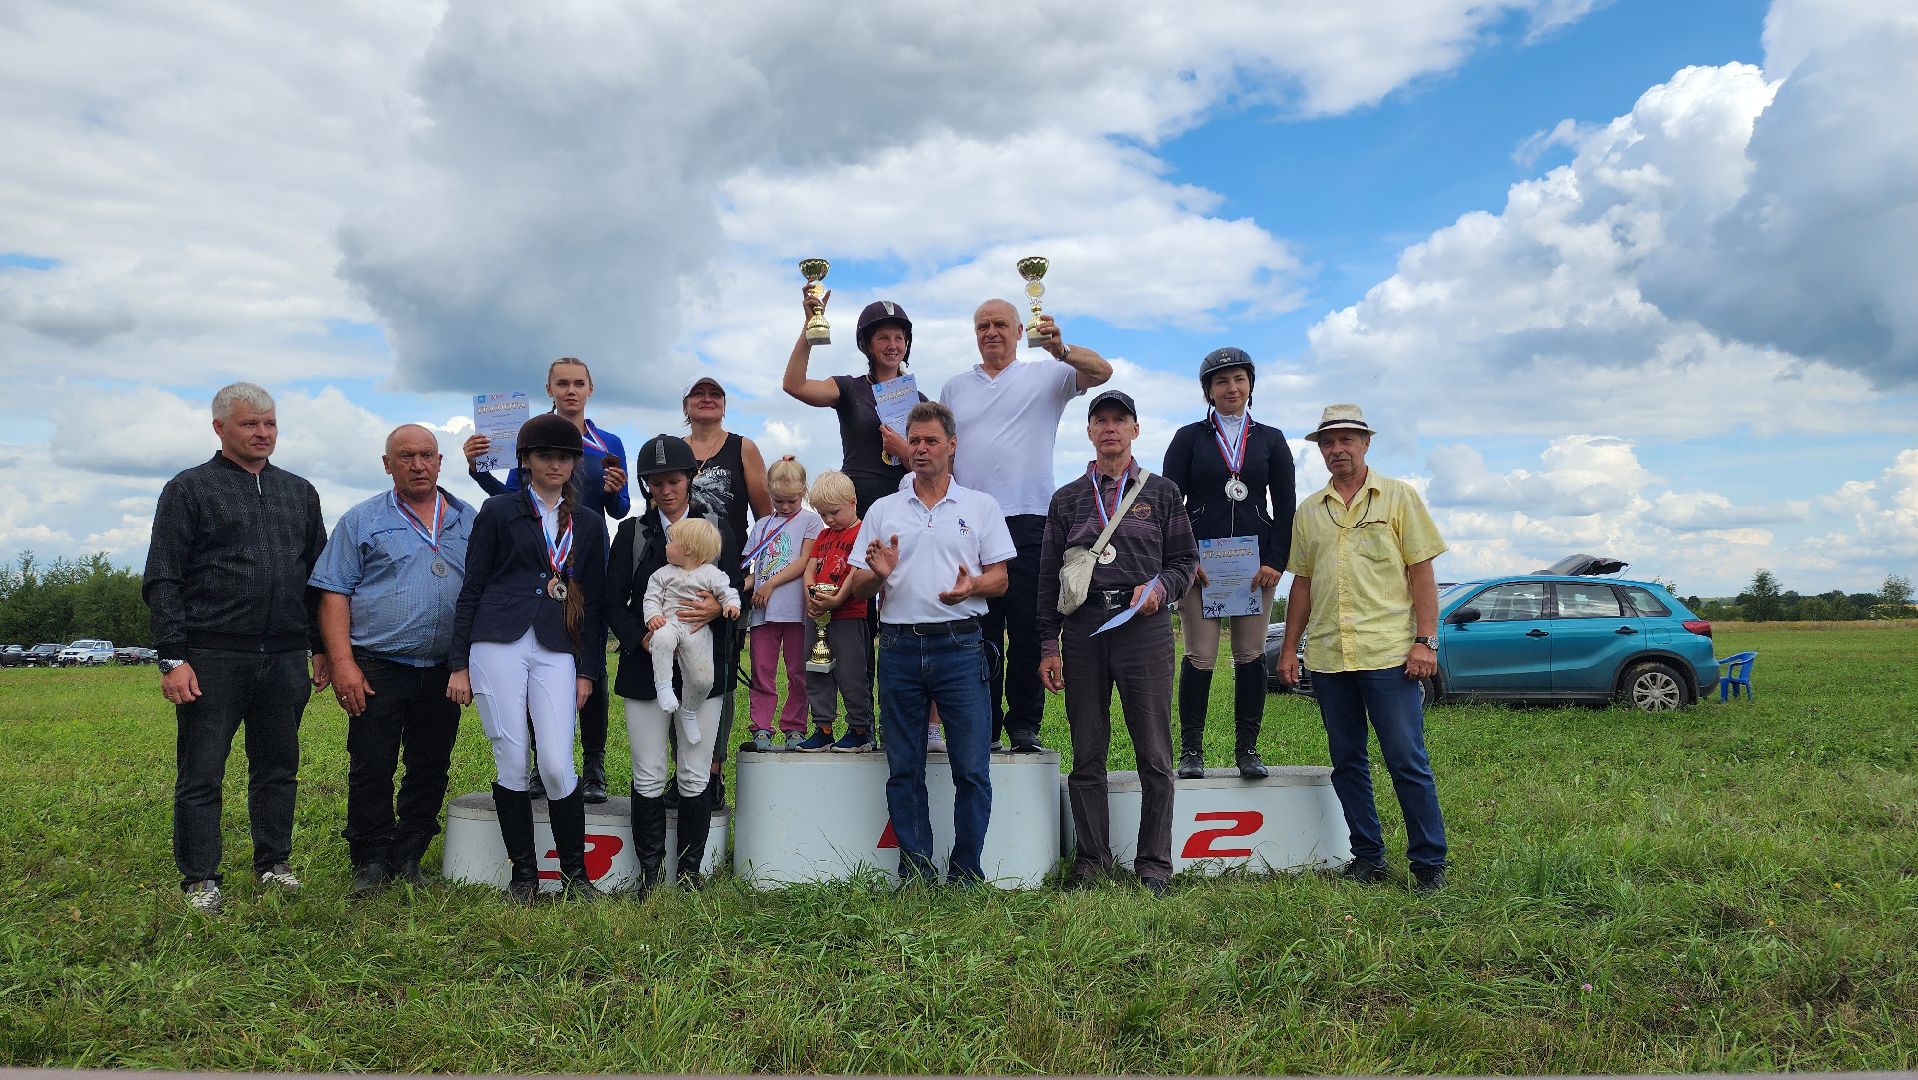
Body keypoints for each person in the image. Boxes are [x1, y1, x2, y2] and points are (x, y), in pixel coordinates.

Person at [144, 382, 328, 914]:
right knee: (202, 771)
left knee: (277, 768)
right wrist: (173, 656)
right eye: (250, 424)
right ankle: (201, 878)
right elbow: (163, 577)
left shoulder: (300, 491)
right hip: (213, 655)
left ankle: (274, 865)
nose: (263, 433)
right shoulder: (189, 490)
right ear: (220, 427)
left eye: (269, 423)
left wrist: (319, 646)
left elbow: (317, 577)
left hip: (286, 654)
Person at [1276, 404, 1449, 892]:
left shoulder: (1398, 498)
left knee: (1405, 759)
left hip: (1389, 655)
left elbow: (1422, 573)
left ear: (1366, 443)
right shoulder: (1310, 510)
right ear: (1320, 450)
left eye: (1347, 440)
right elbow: (1303, 585)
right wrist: (1290, 648)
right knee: (1347, 762)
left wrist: (1425, 642)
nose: (1337, 450)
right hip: (1330, 658)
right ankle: (1367, 856)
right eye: (1328, 443)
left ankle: (1428, 863)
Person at [845, 402, 1014, 885]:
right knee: (904, 769)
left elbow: (1000, 579)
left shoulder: (980, 506)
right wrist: (877, 577)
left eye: (930, 441)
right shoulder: (883, 509)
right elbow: (858, 586)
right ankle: (916, 873)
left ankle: (965, 872)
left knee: (971, 770)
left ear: (952, 445)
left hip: (961, 646)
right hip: (898, 647)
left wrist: (972, 588)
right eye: (913, 441)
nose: (920, 449)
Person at [1037, 390, 1198, 894]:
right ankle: (1092, 859)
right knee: (1087, 750)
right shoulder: (1066, 498)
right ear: (1089, 432)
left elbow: (1185, 564)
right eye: (1100, 420)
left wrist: (1160, 590)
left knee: (1153, 751)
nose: (1110, 428)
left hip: (1143, 629)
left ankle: (1154, 863)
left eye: (1119, 420)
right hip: (1084, 628)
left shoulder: (1164, 493)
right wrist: (1048, 645)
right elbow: (1047, 579)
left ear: (1135, 429)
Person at [447, 414, 609, 903]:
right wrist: (458, 662)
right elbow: (472, 586)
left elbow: (596, 602)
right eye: (545, 456)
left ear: (574, 464)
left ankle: (576, 878)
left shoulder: (589, 522)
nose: (555, 464)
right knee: (513, 758)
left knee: (559, 764)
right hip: (497, 640)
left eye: (564, 457)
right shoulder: (498, 511)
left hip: (559, 645)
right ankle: (524, 876)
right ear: (526, 461)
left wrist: (589, 670)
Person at [309, 424, 475, 898]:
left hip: (444, 668)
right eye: (405, 456)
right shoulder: (361, 521)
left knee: (430, 764)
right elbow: (334, 593)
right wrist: (342, 663)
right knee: (371, 765)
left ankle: (410, 853)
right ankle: (370, 859)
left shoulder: (468, 519)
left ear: (440, 461)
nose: (418, 464)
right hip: (377, 665)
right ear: (387, 464)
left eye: (426, 455)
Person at [940, 298, 1112, 752]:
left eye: (1000, 324)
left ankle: (1024, 725)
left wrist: (1061, 347)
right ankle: (984, 725)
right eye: (982, 325)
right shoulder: (955, 387)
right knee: (979, 628)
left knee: (1029, 625)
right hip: (971, 521)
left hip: (1031, 518)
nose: (991, 332)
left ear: (1020, 330)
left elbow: (1102, 372)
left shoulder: (1046, 374)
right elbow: (945, 451)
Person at [461, 357, 629, 803]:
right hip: (535, 561)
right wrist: (480, 471)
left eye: (578, 383)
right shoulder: (532, 434)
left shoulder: (607, 441)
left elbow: (620, 509)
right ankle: (539, 765)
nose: (570, 390)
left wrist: (614, 491)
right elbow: (515, 501)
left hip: (584, 552)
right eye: (562, 384)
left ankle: (593, 764)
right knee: (536, 666)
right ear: (549, 389)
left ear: (591, 389)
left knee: (586, 663)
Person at [604, 434, 737, 894]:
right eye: (656, 483)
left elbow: (735, 592)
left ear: (691, 478)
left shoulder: (718, 529)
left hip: (703, 667)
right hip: (647, 668)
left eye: (673, 480)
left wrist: (719, 611)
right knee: (649, 771)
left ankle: (691, 871)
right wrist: (640, 636)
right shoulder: (633, 534)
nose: (665, 490)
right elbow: (613, 602)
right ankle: (649, 871)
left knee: (695, 772)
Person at [1161, 347, 1295, 780]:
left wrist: (1276, 560)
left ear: (1251, 385)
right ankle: (1191, 751)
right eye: (1221, 381)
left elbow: (1287, 507)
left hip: (1257, 567)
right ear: (1208, 391)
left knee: (1250, 654)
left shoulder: (1271, 439)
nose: (1231, 388)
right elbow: (1169, 505)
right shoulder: (1188, 438)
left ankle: (1248, 750)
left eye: (1239, 379)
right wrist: (1183, 558)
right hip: (1201, 567)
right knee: (1200, 655)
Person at [681, 375, 771, 791]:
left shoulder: (743, 448)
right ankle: (683, 768)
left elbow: (767, 519)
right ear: (686, 404)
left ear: (724, 404)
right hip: (678, 575)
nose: (706, 400)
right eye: (698, 394)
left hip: (726, 577)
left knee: (721, 673)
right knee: (678, 672)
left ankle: (712, 771)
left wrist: (751, 576)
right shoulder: (671, 449)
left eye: (714, 394)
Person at [781, 291, 926, 517]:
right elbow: (794, 385)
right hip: (855, 513)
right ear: (867, 344)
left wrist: (905, 452)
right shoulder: (848, 388)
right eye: (883, 338)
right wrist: (809, 327)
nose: (893, 345)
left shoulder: (921, 403)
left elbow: (936, 468)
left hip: (905, 511)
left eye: (899, 338)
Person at [743, 456, 823, 751]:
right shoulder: (762, 525)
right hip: (764, 612)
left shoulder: (811, 520)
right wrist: (740, 587)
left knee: (797, 672)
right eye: (779, 501)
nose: (786, 507)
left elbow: (804, 561)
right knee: (761, 670)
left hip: (795, 611)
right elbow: (754, 570)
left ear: (803, 492)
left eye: (792, 500)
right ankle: (762, 726)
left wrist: (771, 584)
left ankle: (795, 727)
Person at [800, 470, 876, 753]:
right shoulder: (823, 535)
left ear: (853, 501)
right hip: (818, 613)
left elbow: (856, 572)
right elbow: (810, 568)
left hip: (849, 614)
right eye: (823, 514)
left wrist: (837, 599)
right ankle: (823, 727)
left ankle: (859, 728)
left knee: (852, 673)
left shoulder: (863, 532)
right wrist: (812, 596)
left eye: (834, 512)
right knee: (816, 670)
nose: (829, 520)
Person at [643, 517, 741, 727]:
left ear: (687, 549)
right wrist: (652, 616)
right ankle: (664, 687)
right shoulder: (662, 574)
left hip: (697, 631)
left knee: (703, 679)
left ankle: (689, 711)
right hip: (669, 623)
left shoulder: (712, 574)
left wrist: (731, 606)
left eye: (670, 542)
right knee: (661, 638)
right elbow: (651, 597)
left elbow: (728, 593)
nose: (665, 546)